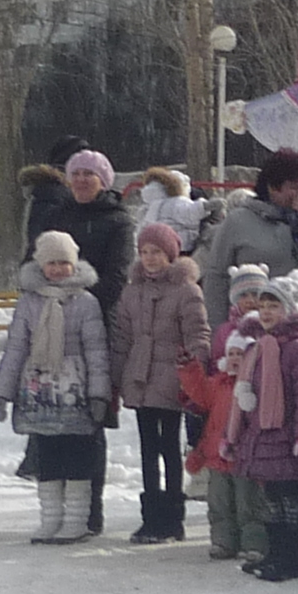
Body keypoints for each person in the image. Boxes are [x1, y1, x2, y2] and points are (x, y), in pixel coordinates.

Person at [0, 229, 115, 544]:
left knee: (77, 456)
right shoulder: (29, 302)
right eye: (52, 263)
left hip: (75, 390)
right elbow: (16, 347)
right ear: (41, 265)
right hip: (39, 390)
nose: (58, 269)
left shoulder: (86, 302)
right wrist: (3, 389)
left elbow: (97, 351)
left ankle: (76, 521)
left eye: (64, 262)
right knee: (47, 456)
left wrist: (100, 392)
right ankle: (51, 519)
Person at [223, 264, 298, 579]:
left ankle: (291, 560)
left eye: (274, 306)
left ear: (290, 309)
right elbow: (246, 395)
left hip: (289, 437)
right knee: (272, 501)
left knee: (290, 501)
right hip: (264, 437)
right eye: (263, 306)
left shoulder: (297, 346)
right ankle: (275, 553)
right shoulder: (258, 347)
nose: (266, 312)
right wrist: (235, 436)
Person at [116, 217, 210, 545]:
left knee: (170, 446)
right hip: (140, 379)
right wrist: (121, 376)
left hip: (171, 380)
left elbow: (198, 335)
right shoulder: (132, 292)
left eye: (157, 251)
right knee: (146, 449)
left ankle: (172, 517)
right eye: (144, 251)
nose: (150, 258)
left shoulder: (186, 290)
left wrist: (192, 373)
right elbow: (122, 337)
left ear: (170, 254)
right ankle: (150, 516)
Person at [201, 149, 298, 325]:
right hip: (258, 326)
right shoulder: (238, 221)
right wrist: (218, 331)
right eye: (293, 187)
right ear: (272, 188)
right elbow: (216, 276)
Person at [24, 146, 139, 332]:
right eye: (75, 174)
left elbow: (117, 277)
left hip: (99, 319)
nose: (80, 180)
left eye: (88, 174)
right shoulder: (55, 216)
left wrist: (80, 305)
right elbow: (32, 260)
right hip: (52, 318)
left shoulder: (118, 221)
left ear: (102, 181)